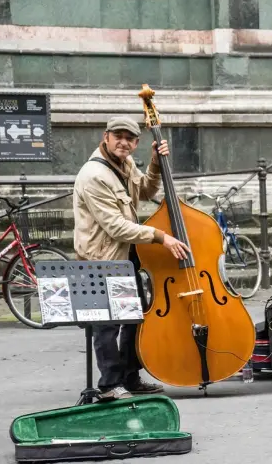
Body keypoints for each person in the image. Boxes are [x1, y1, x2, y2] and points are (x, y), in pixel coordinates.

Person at [73, 116, 190, 401]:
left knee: (134, 316)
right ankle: (109, 384)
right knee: (108, 324)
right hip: (100, 259)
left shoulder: (124, 164)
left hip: (125, 256)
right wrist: (162, 237)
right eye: (118, 136)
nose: (123, 142)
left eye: (130, 138)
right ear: (106, 137)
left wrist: (154, 163)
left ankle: (129, 376)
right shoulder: (94, 175)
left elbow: (147, 191)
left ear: (136, 143)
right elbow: (115, 226)